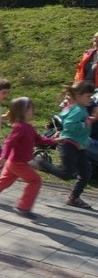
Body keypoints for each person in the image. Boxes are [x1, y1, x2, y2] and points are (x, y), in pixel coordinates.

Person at [0, 97, 58, 219]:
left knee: (3, 182)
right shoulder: (21, 127)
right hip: (18, 163)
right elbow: (9, 142)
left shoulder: (28, 127)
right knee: (35, 181)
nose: (34, 111)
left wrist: (55, 140)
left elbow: (39, 140)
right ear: (23, 111)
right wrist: (3, 157)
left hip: (13, 163)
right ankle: (24, 207)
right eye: (31, 108)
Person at [34, 81, 95, 209]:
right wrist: (84, 124)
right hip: (69, 144)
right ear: (78, 96)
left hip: (79, 145)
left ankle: (74, 198)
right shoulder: (78, 110)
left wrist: (88, 119)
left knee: (86, 172)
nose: (91, 99)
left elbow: (65, 117)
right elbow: (69, 125)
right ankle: (40, 163)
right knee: (67, 174)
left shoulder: (79, 108)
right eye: (88, 96)